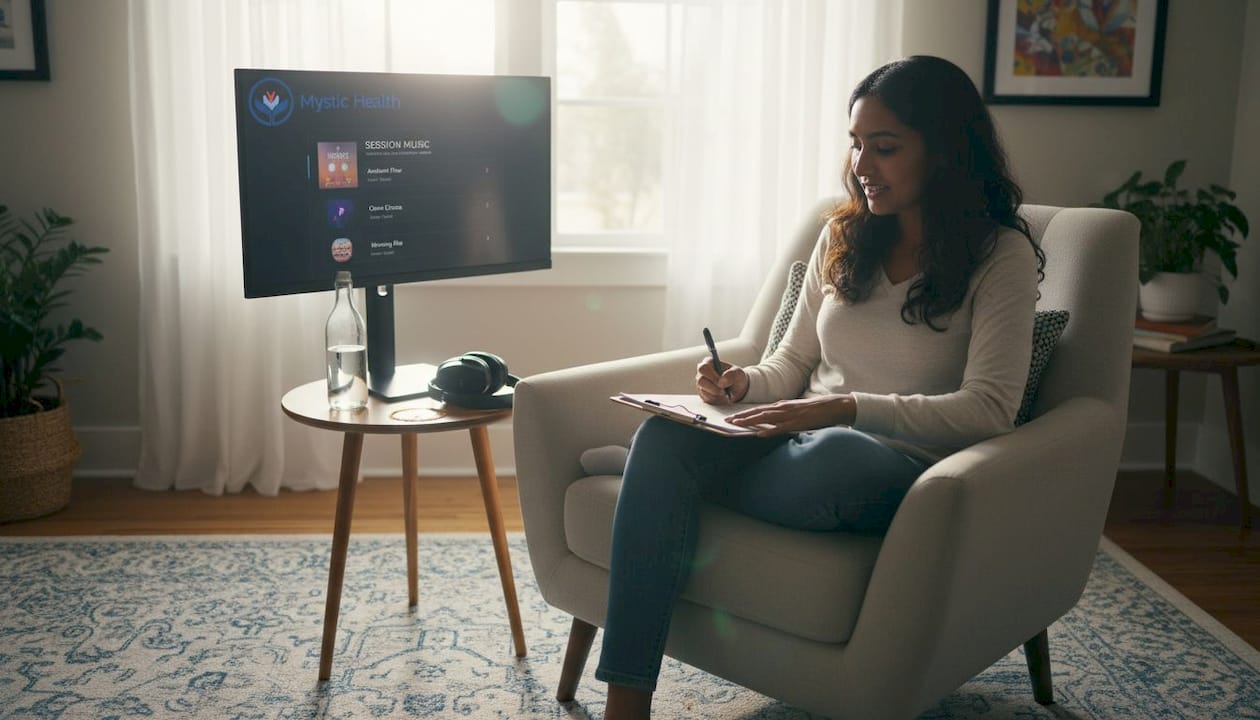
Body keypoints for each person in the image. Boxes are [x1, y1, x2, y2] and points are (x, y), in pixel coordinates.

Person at [596, 55, 1047, 719]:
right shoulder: (843, 234)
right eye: (857, 143)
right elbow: (788, 366)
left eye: (885, 147)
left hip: (896, 471)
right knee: (662, 434)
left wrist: (847, 408)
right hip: (799, 446)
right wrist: (741, 383)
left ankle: (664, 488)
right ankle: (626, 701)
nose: (863, 164)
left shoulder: (999, 256)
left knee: (837, 454)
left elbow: (989, 410)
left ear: (946, 149)